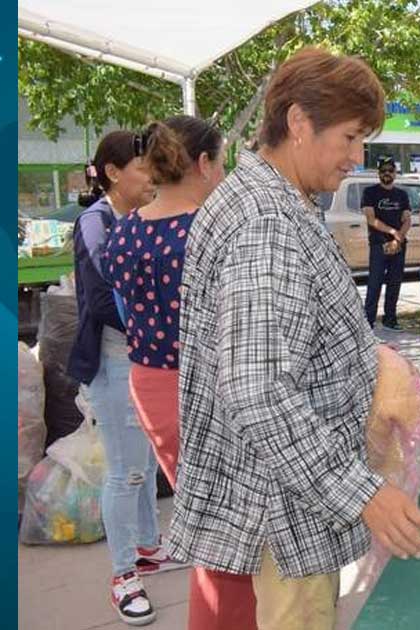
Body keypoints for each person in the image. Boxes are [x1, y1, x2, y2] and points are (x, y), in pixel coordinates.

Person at [169, 48, 420, 630]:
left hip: (288, 496)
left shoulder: (267, 200)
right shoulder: (266, 222)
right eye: (348, 138)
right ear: (297, 122)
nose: (356, 157)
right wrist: (361, 491)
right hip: (287, 506)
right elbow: (258, 389)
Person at [104, 116, 258, 630]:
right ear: (205, 163)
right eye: (222, 161)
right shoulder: (209, 231)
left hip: (150, 385)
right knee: (231, 538)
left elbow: (128, 313)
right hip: (208, 388)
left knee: (213, 528)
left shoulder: (124, 231)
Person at [66, 130, 164, 626]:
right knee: (124, 471)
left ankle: (147, 546)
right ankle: (123, 575)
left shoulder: (138, 220)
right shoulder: (95, 222)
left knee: (145, 466)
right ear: (113, 172)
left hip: (143, 355)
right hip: (115, 358)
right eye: (144, 168)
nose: (152, 178)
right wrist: (163, 323)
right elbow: (105, 298)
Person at [361, 157, 411, 330]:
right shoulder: (370, 193)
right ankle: (368, 321)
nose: (387, 174)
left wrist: (398, 238)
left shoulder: (402, 195)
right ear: (379, 174)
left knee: (394, 283)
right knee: (374, 283)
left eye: (390, 170)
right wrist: (392, 232)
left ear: (395, 173)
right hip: (378, 244)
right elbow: (371, 219)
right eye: (383, 171)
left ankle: (390, 319)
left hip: (399, 245)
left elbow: (407, 220)